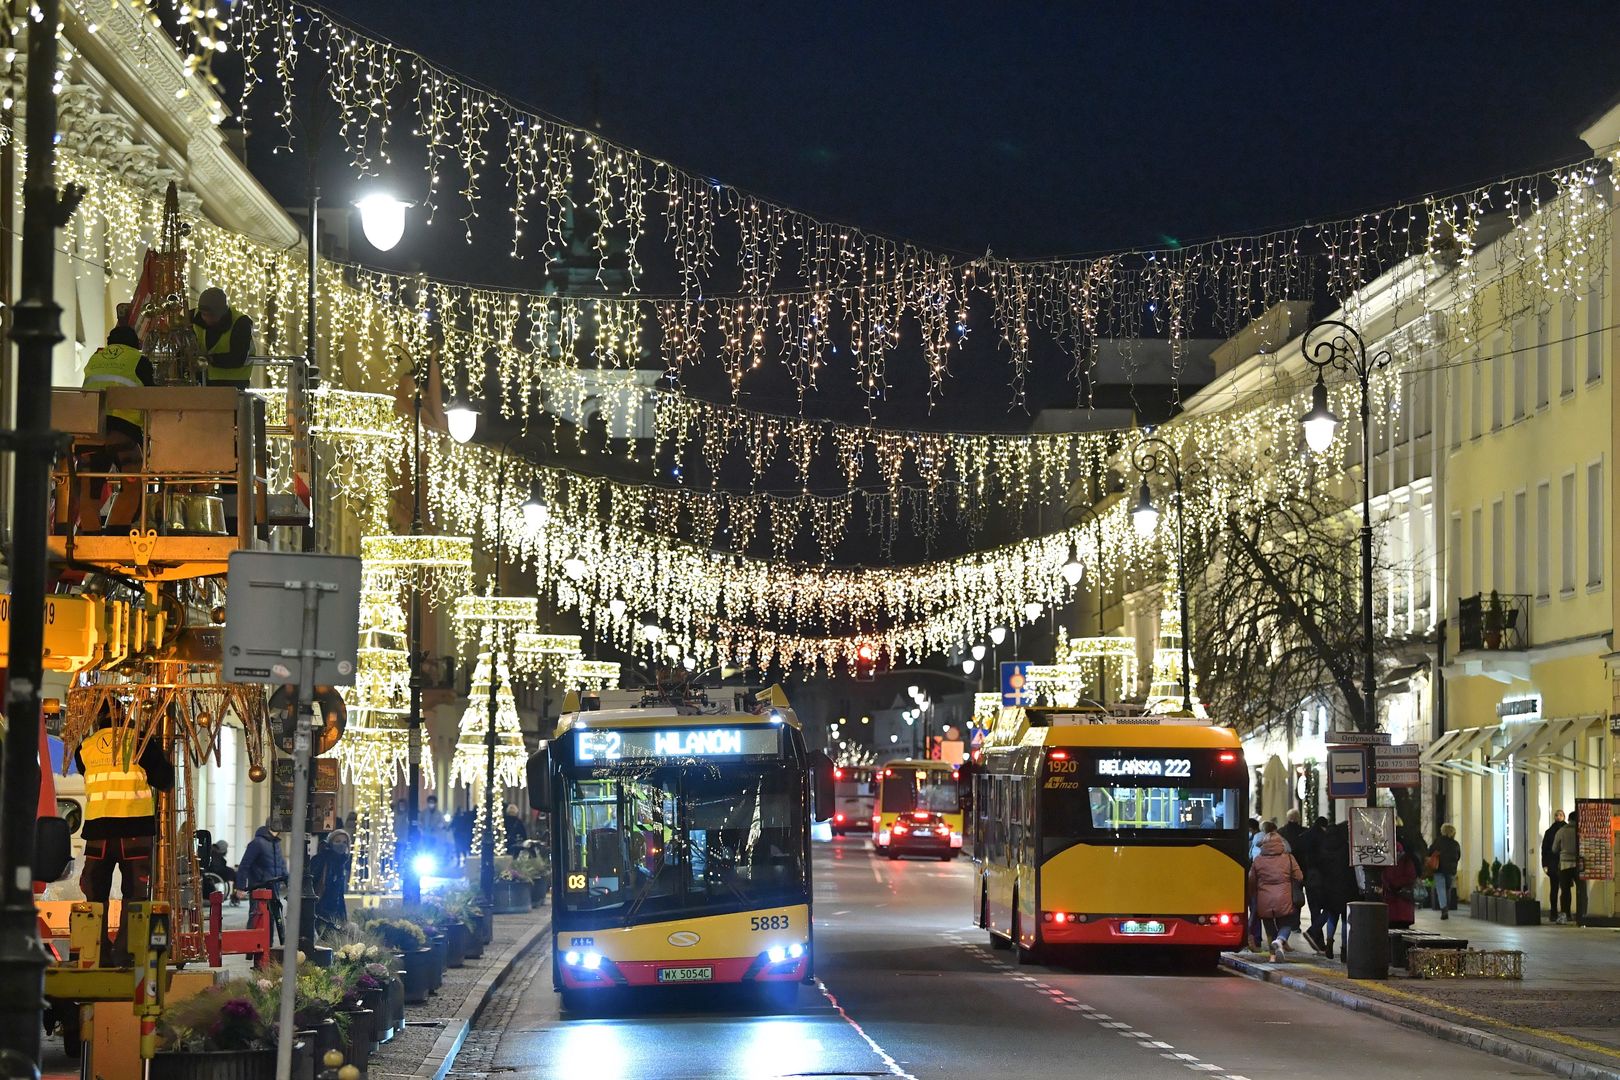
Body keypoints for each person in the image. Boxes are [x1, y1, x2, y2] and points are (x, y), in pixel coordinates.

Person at [75, 700, 175, 963]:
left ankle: (94, 954)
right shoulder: (140, 742)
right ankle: (126, 954)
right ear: (128, 716)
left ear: (99, 719)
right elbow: (165, 781)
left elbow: (84, 771)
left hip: (98, 833)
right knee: (135, 896)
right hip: (135, 833)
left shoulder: (85, 747)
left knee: (94, 894)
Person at [78, 325, 156, 531]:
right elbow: (152, 396)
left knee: (89, 487)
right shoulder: (139, 360)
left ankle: (90, 536)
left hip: (89, 431)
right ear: (136, 343)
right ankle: (116, 531)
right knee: (133, 482)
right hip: (123, 432)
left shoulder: (95, 358)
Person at [1248, 823, 1303, 962]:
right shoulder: (1289, 858)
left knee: (1269, 925)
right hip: (1284, 897)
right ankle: (1280, 940)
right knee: (1287, 922)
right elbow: (1299, 876)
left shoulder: (1258, 860)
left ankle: (1273, 956)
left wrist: (1254, 892)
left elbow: (1251, 880)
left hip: (1264, 898)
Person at [236, 820, 289, 944]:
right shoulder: (257, 843)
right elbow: (245, 865)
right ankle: (252, 947)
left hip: (273, 888)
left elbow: (281, 865)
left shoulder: (276, 843)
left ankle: (267, 947)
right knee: (257, 917)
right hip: (259, 887)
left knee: (271, 918)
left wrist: (288, 882)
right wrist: (240, 887)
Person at [192, 287, 255, 388]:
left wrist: (209, 359)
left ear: (223, 313)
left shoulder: (241, 323)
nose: (207, 319)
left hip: (234, 384)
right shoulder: (192, 317)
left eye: (212, 315)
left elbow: (238, 357)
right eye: (204, 314)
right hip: (202, 381)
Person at [310, 829, 351, 927]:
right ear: (330, 843)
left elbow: (339, 893)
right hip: (319, 911)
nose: (341, 844)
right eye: (337, 841)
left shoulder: (341, 863)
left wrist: (343, 917)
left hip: (334, 913)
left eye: (344, 842)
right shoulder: (321, 860)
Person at [1382, 840, 1421, 930]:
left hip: (1401, 901)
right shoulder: (1390, 862)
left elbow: (1410, 876)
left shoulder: (1405, 860)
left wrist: (1393, 884)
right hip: (1394, 902)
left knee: (1400, 928)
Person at [1553, 812, 1582, 924]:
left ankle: (1565, 915)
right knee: (1581, 890)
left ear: (1568, 819)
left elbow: (1554, 848)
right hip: (1579, 864)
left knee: (1565, 891)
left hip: (1565, 864)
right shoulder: (1580, 831)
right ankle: (1581, 915)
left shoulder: (1561, 831)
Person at [1431, 823, 1461, 919]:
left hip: (1439, 868)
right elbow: (1458, 856)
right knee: (1448, 889)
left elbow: (1430, 851)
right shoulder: (1455, 844)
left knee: (1440, 889)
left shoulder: (1438, 841)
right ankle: (1445, 906)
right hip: (1450, 871)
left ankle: (1444, 909)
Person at [1541, 809, 1566, 908]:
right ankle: (1554, 911)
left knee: (1565, 889)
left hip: (1564, 862)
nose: (1558, 817)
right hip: (1553, 863)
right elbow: (1545, 849)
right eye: (1556, 815)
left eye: (1560, 815)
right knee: (1554, 889)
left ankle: (1565, 911)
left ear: (1563, 816)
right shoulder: (1549, 831)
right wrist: (1545, 864)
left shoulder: (1567, 829)